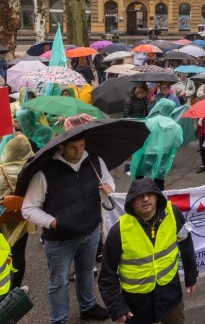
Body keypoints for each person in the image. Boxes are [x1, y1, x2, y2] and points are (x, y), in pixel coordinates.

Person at [22, 132, 113, 324]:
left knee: (87, 271)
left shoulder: (95, 161)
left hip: (90, 231)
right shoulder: (45, 172)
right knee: (59, 282)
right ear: (61, 148)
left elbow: (108, 180)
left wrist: (109, 187)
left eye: (82, 145)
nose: (79, 151)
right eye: (73, 147)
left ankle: (88, 307)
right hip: (59, 239)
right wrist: (54, 222)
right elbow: (28, 208)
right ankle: (59, 319)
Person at [98, 178, 198, 324]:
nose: (145, 199)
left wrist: (191, 275)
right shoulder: (118, 231)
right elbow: (107, 276)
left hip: (171, 293)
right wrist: (116, 307)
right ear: (131, 202)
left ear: (157, 197)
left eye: (150, 194)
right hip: (137, 302)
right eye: (139, 196)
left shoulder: (173, 213)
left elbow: (186, 244)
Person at [0, 135, 34, 288]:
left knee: (2, 252)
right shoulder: (28, 171)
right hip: (21, 217)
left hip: (2, 216)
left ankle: (3, 286)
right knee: (18, 252)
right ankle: (16, 288)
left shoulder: (1, 169)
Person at [129, 99, 184, 191]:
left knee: (140, 175)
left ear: (161, 108)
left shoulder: (150, 121)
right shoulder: (175, 126)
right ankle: (159, 199)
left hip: (147, 153)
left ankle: (137, 193)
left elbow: (141, 135)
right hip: (163, 154)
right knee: (159, 178)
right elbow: (178, 142)